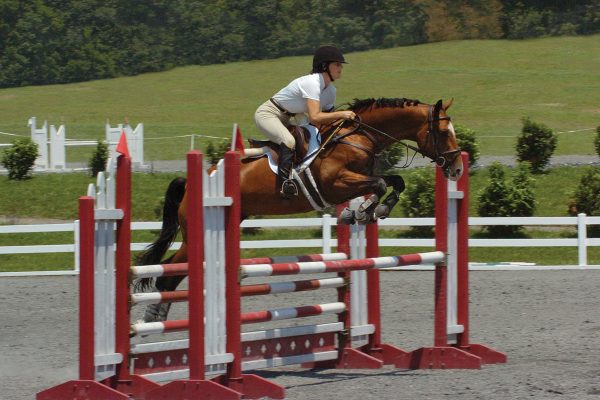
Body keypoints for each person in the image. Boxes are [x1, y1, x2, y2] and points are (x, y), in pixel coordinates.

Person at [254, 45, 356, 199]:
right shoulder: (312, 82)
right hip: (268, 114)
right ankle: (285, 184)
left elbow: (326, 120)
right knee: (288, 141)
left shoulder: (331, 91)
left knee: (309, 139)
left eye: (340, 64)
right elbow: (315, 117)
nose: (340, 67)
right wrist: (342, 114)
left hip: (290, 117)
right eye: (336, 64)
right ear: (324, 66)